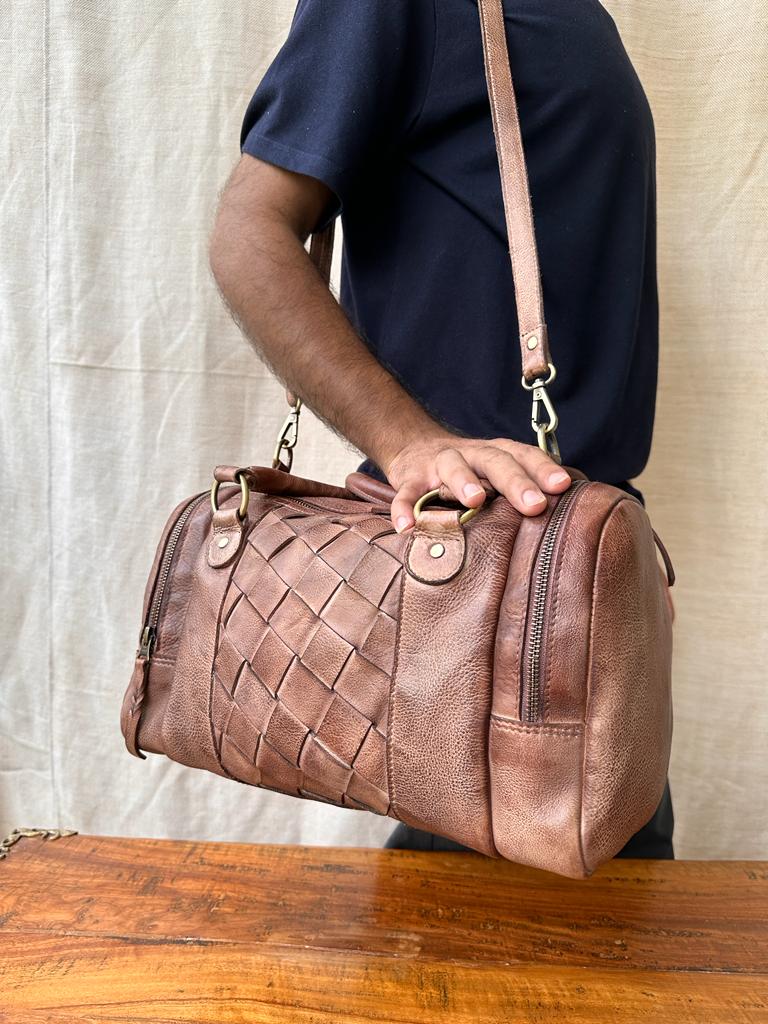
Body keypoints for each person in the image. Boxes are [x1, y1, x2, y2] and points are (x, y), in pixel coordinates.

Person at [209, 0, 674, 858]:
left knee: (588, 911)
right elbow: (251, 230)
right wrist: (409, 441)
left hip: (574, 590)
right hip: (484, 591)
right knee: (520, 921)